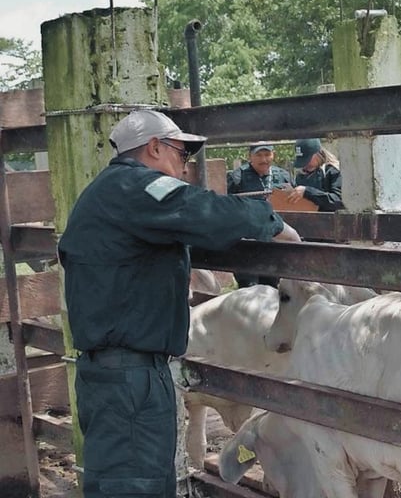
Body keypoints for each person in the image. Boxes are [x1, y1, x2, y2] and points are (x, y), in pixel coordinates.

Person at [57, 109, 300, 498]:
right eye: (181, 154)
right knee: (138, 486)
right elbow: (205, 211)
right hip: (132, 377)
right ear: (154, 147)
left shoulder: (103, 194)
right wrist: (273, 221)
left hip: (111, 373)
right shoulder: (137, 188)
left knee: (121, 481)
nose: (185, 167)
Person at [227, 142, 293, 286]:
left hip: (274, 244)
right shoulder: (238, 177)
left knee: (273, 286)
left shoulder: (284, 176)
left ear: (273, 155)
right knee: (249, 287)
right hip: (248, 246)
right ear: (249, 156)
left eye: (267, 154)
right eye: (259, 155)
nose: (264, 159)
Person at [287, 138, 344, 212]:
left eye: (307, 159)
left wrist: (307, 192)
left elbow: (339, 201)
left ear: (317, 154)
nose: (305, 164)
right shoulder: (300, 176)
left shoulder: (332, 171)